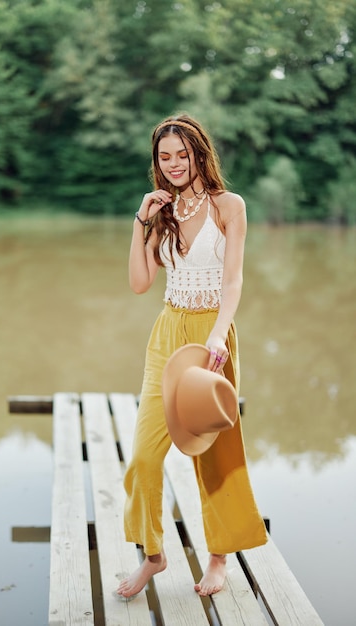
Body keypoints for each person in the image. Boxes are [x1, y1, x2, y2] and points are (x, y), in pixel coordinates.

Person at [116, 113, 267, 599]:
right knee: (143, 455)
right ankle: (154, 556)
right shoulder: (162, 212)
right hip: (167, 333)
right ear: (157, 163)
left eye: (183, 154)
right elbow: (140, 283)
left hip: (211, 335)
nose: (175, 164)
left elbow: (234, 279)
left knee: (217, 452)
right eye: (165, 157)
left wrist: (219, 335)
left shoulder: (230, 205)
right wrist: (140, 219)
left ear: (200, 153)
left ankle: (219, 559)